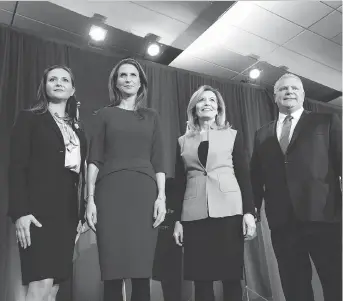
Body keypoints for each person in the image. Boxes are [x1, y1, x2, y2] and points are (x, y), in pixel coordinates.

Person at [250, 73, 342, 301]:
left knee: (335, 281)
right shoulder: (261, 134)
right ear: (275, 97)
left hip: (324, 217)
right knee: (294, 287)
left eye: (294, 88)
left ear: (303, 94)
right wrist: (251, 211)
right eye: (283, 89)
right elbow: (255, 176)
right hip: (283, 222)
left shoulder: (326, 121)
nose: (289, 91)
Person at [86, 58, 166, 301]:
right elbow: (94, 159)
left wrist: (161, 197)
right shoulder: (104, 115)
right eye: (123, 75)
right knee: (112, 270)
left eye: (133, 75)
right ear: (116, 82)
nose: (128, 79)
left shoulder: (152, 116)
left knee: (142, 271)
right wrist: (89, 199)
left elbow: (159, 160)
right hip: (110, 193)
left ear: (141, 82)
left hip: (144, 193)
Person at [8, 65, 87, 301]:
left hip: (67, 214)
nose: (59, 83)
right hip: (38, 212)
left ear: (72, 89)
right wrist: (20, 212)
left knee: (54, 286)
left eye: (65, 80)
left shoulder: (78, 130)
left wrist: (81, 215)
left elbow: (79, 177)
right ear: (45, 86)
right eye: (53, 79)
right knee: (40, 281)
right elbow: (17, 167)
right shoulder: (30, 118)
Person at [173, 85, 257, 301]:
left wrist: (249, 212)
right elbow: (180, 182)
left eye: (212, 100)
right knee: (201, 279)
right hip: (194, 215)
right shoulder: (183, 141)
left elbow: (244, 175)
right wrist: (177, 220)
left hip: (229, 211)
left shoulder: (232, 135)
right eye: (202, 100)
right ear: (194, 108)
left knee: (230, 277)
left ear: (219, 108)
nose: (207, 103)